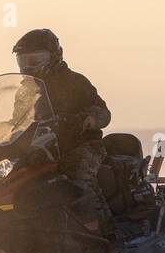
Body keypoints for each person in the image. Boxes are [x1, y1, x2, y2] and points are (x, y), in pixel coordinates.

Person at [12, 28, 113, 234]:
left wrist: (88, 119)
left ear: (54, 56)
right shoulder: (25, 91)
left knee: (78, 173)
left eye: (35, 60)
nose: (28, 67)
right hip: (42, 147)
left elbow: (103, 112)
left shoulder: (74, 82)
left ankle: (103, 229)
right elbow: (18, 121)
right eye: (23, 61)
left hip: (80, 145)